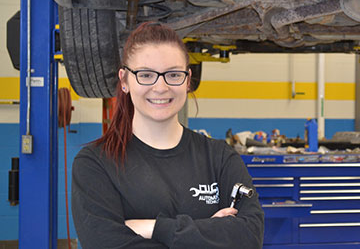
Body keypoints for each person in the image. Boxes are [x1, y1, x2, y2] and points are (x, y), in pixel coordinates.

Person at [71, 21, 264, 248]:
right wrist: (208, 233)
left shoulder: (219, 157)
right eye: (146, 75)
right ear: (124, 81)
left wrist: (153, 228)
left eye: (173, 75)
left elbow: (249, 237)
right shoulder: (95, 164)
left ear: (188, 80)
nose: (161, 87)